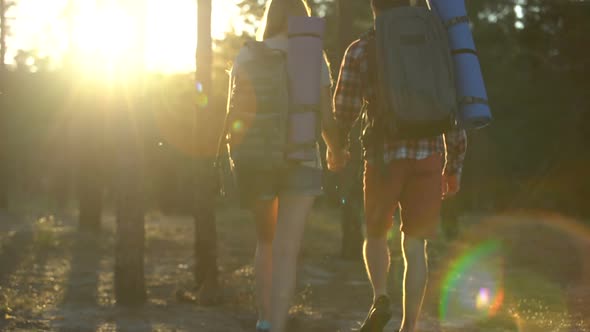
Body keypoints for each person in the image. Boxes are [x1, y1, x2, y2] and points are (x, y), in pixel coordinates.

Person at [326, 0, 468, 331]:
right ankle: (410, 326)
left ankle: (380, 297)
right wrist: (454, 164)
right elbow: (454, 109)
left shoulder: (362, 49)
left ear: (374, 7)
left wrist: (337, 148)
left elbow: (343, 109)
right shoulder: (436, 46)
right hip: (429, 155)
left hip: (383, 158)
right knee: (416, 245)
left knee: (375, 234)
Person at [225, 0, 336, 331]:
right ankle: (278, 323)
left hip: (259, 159)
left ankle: (263, 320)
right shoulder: (313, 55)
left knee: (266, 242)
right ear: (302, 18)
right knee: (287, 249)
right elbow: (327, 116)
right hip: (302, 157)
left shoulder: (248, 55)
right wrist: (337, 149)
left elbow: (234, 112)